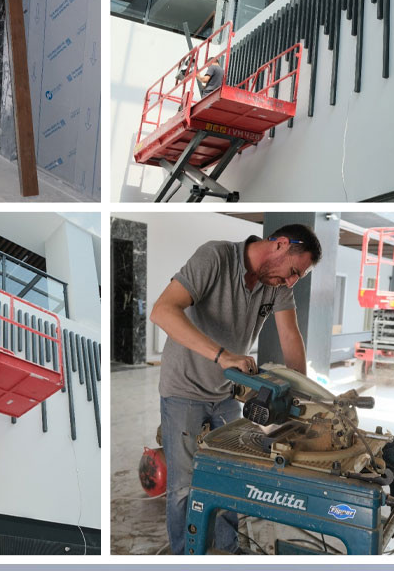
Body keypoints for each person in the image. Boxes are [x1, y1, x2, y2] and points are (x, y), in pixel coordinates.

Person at [149, 224, 322, 554]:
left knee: (231, 479)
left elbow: (290, 335)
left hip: (225, 393)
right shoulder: (215, 256)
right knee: (185, 486)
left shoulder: (276, 286)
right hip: (183, 389)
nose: (290, 282)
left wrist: (301, 395)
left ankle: (225, 552)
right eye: (293, 271)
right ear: (281, 245)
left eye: (297, 278)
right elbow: (162, 310)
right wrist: (222, 355)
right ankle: (185, 554)